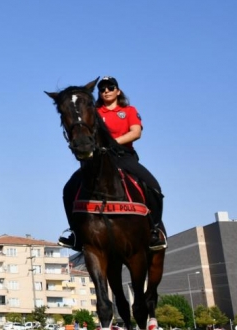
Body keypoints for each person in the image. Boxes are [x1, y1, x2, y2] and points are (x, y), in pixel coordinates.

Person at [58, 76, 166, 251]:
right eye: (102, 89)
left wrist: (112, 143)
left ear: (118, 91)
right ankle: (75, 233)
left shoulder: (129, 110)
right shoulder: (93, 111)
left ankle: (154, 231)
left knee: (154, 186)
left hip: (124, 156)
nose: (106, 91)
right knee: (68, 189)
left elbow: (136, 133)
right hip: (98, 159)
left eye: (110, 87)